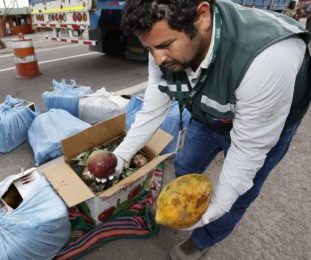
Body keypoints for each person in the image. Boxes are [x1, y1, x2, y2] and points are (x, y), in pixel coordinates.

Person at [97, 0, 311, 259]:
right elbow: (154, 107)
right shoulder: (162, 46)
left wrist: (216, 207)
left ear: (202, 17)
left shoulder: (267, 58)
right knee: (186, 164)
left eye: (164, 46)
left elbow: (248, 149)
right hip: (209, 112)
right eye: (149, 49)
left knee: (238, 192)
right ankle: (177, 207)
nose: (157, 59)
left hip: (261, 123)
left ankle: (202, 239)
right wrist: (122, 154)